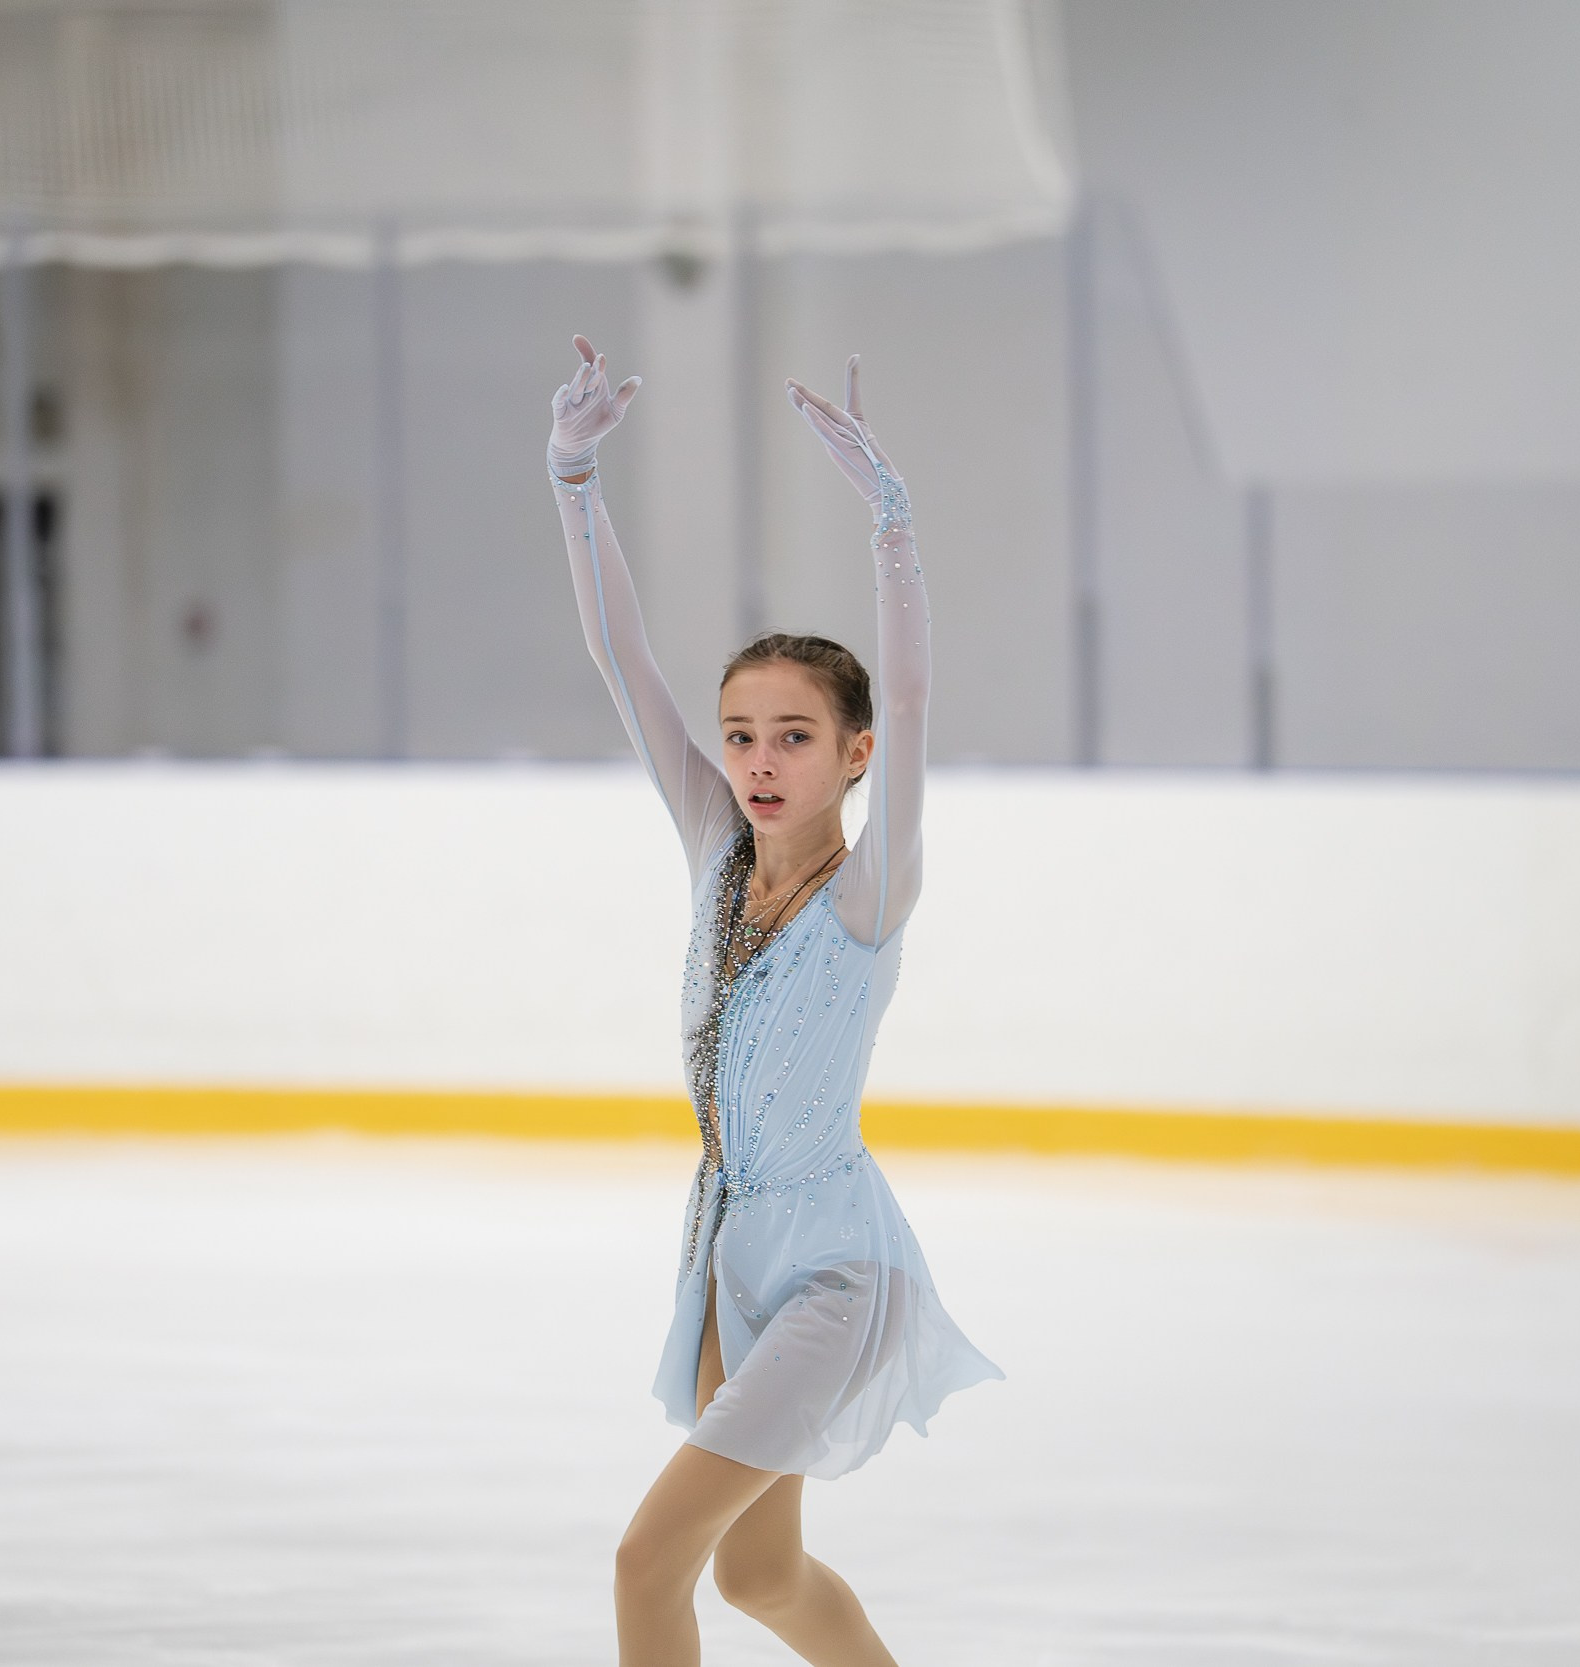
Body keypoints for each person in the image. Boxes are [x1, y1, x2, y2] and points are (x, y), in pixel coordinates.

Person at [546, 335, 1002, 1665]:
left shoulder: (870, 895)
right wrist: (574, 479)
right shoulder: (714, 850)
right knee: (758, 1575)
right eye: (740, 732)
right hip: (726, 1256)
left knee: (648, 1563)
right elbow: (623, 662)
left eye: (794, 736)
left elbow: (912, 693)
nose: (755, 759)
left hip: (831, 1271)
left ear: (854, 757)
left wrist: (894, 528)